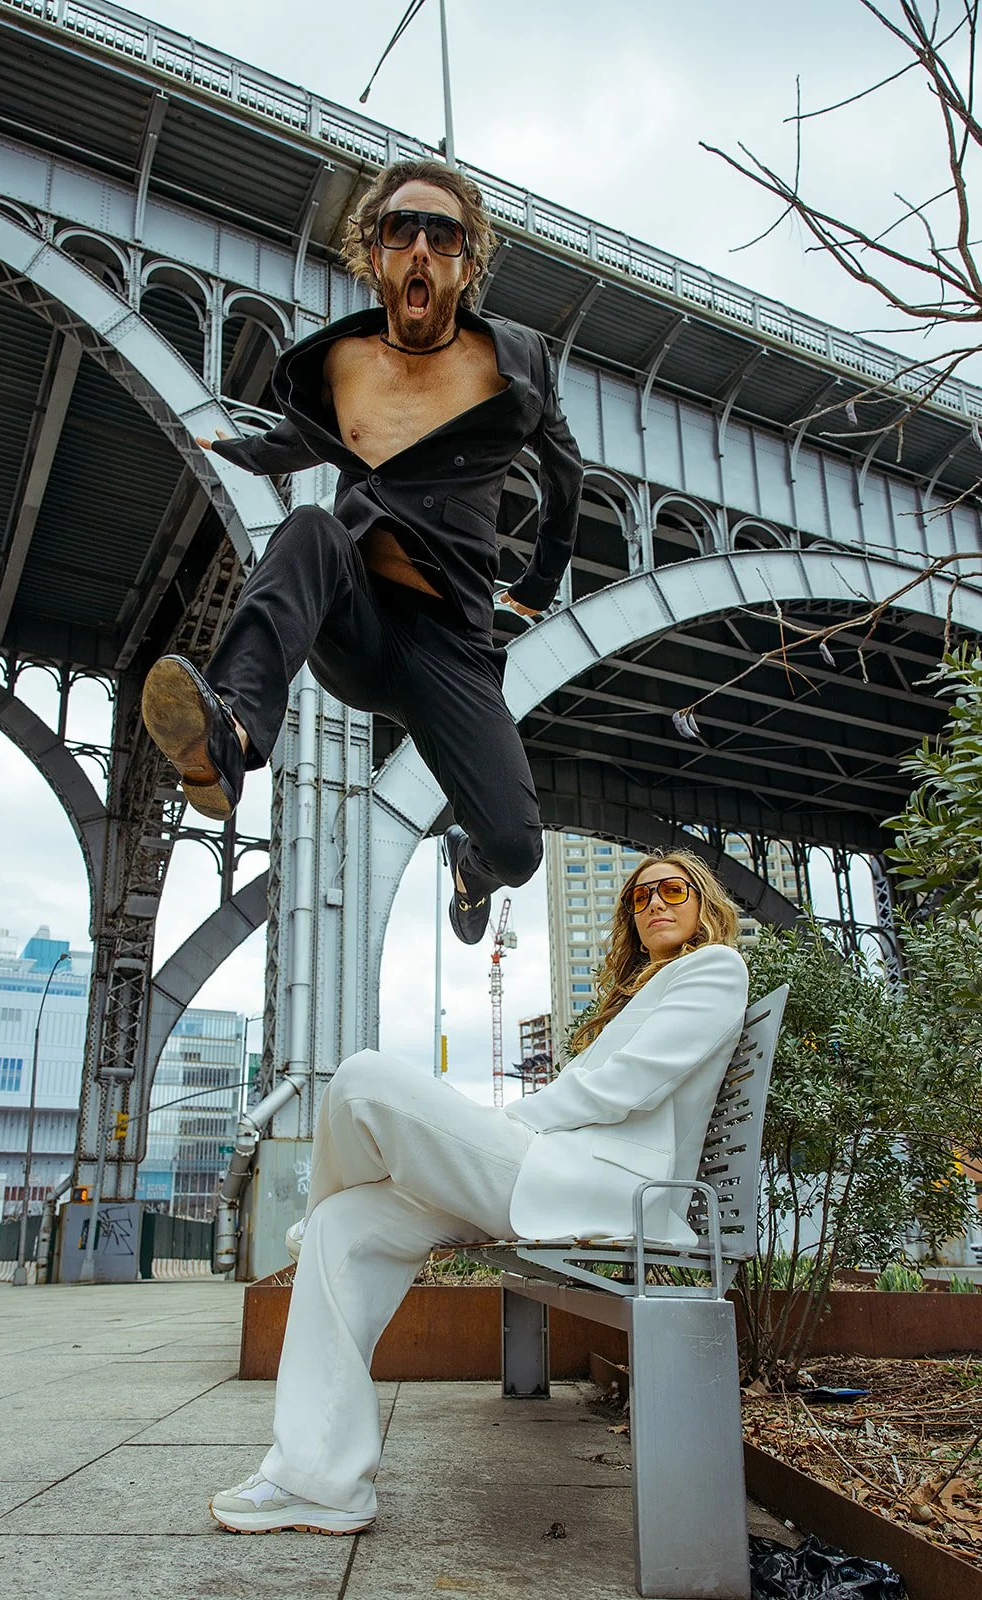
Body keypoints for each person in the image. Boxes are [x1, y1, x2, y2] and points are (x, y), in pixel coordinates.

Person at [208, 849, 748, 1536]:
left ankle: (307, 1225)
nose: (655, 905)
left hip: (596, 1188)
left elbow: (624, 1087)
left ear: (702, 901)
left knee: (363, 1078)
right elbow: (599, 1092)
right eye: (639, 900)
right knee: (346, 1224)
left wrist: (502, 1125)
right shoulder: (650, 988)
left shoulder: (713, 969)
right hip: (554, 1170)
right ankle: (318, 1480)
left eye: (671, 890)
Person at [140, 158, 583, 944]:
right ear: (373, 255)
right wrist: (239, 450)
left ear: (465, 263)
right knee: (311, 528)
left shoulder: (513, 365)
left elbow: (564, 472)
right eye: (399, 229)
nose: (419, 245)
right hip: (359, 626)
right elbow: (301, 441)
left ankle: (466, 866)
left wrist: (539, 583)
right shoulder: (339, 366)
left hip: (451, 644)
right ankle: (230, 733)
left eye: (440, 233)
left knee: (517, 851)